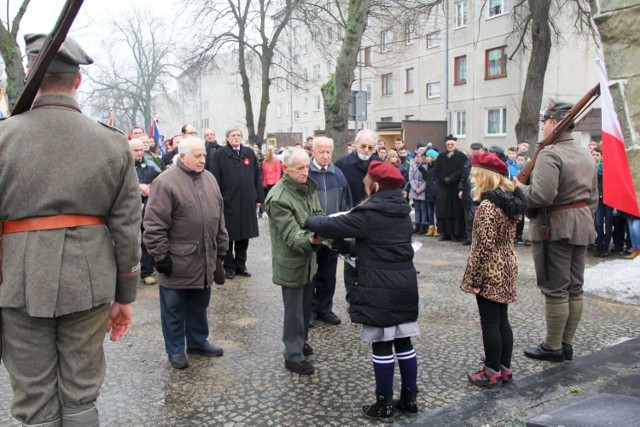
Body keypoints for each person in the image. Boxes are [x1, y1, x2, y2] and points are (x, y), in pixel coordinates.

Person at [0, 34, 141, 426]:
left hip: (15, 281)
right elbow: (128, 228)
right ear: (77, 82)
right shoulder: (113, 144)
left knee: (33, 396)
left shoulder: (2, 139)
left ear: (30, 74)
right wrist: (124, 295)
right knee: (80, 394)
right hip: (89, 282)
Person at [303, 161, 419, 422]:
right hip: (405, 284)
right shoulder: (402, 211)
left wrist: (308, 220)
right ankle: (410, 400)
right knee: (403, 342)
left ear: (376, 186)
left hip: (379, 287)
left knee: (381, 343)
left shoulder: (369, 213)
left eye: (367, 183)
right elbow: (382, 243)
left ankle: (384, 404)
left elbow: (333, 225)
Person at [515, 100, 598, 362]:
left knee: (555, 288)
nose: (543, 127)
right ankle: (566, 343)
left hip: (555, 228)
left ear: (553, 122)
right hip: (582, 225)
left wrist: (518, 187)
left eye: (545, 122)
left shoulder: (551, 154)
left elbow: (540, 196)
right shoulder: (585, 154)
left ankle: (553, 347)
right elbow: (593, 199)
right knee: (575, 287)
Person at [143, 137, 229, 369]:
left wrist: (222, 248)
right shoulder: (165, 182)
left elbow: (219, 218)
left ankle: (197, 342)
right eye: (198, 156)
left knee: (199, 304)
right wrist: (160, 257)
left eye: (204, 155)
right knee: (173, 309)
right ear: (182, 157)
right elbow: (153, 225)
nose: (203, 159)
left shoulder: (209, 178)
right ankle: (175, 350)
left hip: (205, 259)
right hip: (177, 260)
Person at [461, 153, 526, 388]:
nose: (472, 179)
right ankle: (504, 368)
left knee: (490, 322)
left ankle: (491, 370)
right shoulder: (507, 201)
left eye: (475, 174)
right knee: (501, 321)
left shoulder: (488, 207)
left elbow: (482, 247)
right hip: (507, 264)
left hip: (492, 268)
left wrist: (474, 279)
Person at [264, 148, 325, 376]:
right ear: (285, 169)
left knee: (305, 307)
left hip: (309, 259)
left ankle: (301, 341)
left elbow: (318, 214)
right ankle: (293, 355)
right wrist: (312, 238)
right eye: (300, 168)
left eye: (307, 167)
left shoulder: (307, 187)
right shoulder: (278, 197)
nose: (305, 172)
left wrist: (327, 227)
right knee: (294, 312)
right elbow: (291, 234)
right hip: (291, 261)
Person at [308, 137, 353, 327]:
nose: (326, 156)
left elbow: (346, 204)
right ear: (313, 152)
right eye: (321, 152)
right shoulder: (306, 174)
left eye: (329, 152)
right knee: (310, 274)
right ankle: (309, 311)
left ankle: (325, 309)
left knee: (328, 275)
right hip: (311, 235)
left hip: (332, 235)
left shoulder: (338, 175)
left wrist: (342, 229)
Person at [210, 128, 265, 279]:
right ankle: (229, 266)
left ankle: (241, 264)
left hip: (247, 201)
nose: (236, 138)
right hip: (228, 202)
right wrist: (219, 198)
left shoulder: (248, 153)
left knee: (244, 235)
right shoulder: (219, 155)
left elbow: (256, 177)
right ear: (227, 138)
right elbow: (215, 178)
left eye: (238, 135)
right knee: (228, 235)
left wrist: (259, 197)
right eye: (233, 136)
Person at [335, 130, 380, 299]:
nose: (366, 150)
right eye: (363, 146)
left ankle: (370, 294)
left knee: (373, 257)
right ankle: (352, 296)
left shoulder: (379, 163)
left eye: (370, 147)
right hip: (351, 216)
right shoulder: (342, 165)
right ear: (355, 144)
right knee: (351, 259)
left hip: (374, 217)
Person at [130, 138, 161, 285]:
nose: (139, 153)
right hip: (129, 210)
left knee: (146, 239)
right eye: (136, 150)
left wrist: (150, 188)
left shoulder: (151, 165)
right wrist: (137, 187)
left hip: (148, 209)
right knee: (129, 241)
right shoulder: (123, 165)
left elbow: (161, 181)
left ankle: (146, 271)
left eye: (141, 150)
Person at [434, 134, 468, 241]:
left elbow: (462, 170)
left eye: (452, 144)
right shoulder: (440, 157)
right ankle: (446, 233)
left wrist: (452, 178)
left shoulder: (462, 157)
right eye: (448, 144)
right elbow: (437, 170)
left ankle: (457, 234)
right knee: (444, 210)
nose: (450, 145)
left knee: (456, 210)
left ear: (455, 144)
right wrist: (444, 178)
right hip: (444, 187)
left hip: (456, 187)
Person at [459, 142, 484, 245]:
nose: (475, 151)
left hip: (479, 191)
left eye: (477, 149)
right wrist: (460, 189)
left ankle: (478, 238)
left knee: (476, 216)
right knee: (467, 216)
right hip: (467, 191)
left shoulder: (484, 161)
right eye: (473, 149)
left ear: (482, 150)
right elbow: (463, 177)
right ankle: (469, 237)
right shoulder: (468, 161)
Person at [591, 147, 613, 257]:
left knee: (608, 224)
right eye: (593, 155)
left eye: (597, 155)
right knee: (598, 224)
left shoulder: (610, 167)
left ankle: (606, 246)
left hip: (609, 199)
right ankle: (599, 244)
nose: (595, 157)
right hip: (598, 199)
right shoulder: (594, 167)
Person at [408, 146, 429, 234]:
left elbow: (428, 178)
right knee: (417, 208)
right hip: (414, 188)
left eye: (422, 152)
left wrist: (421, 189)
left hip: (423, 188)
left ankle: (423, 226)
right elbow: (410, 176)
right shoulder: (413, 163)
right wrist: (414, 188)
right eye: (419, 152)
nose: (420, 154)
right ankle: (417, 225)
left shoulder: (427, 164)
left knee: (423, 208)